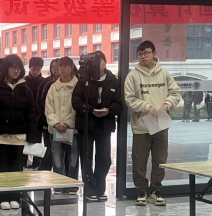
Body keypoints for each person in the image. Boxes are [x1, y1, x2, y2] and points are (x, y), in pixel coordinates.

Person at [125, 41, 181, 207]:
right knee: (139, 160)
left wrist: (167, 103)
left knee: (160, 160)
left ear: (154, 54)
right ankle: (141, 191)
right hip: (141, 125)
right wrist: (146, 106)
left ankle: (156, 191)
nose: (143, 57)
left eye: (147, 53)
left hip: (160, 123)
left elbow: (175, 92)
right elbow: (129, 99)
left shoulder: (164, 74)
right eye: (140, 54)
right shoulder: (133, 76)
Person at [0, 54, 38, 211]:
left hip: (19, 137)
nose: (16, 71)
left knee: (17, 170)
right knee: (1, 170)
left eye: (18, 68)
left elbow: (31, 114)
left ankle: (15, 196)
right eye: (13, 67)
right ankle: (3, 197)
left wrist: (32, 136)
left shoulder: (25, 89)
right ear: (5, 68)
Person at [72, 51, 123, 202]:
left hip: (104, 125)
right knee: (86, 158)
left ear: (105, 63)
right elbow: (76, 102)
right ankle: (91, 189)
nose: (98, 65)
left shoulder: (113, 81)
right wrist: (90, 110)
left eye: (100, 61)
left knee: (104, 159)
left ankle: (100, 188)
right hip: (87, 124)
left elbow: (119, 104)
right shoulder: (84, 80)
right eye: (95, 62)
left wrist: (109, 110)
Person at [45, 56, 79, 195]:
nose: (62, 69)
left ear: (71, 67)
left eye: (65, 66)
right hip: (56, 129)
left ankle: (72, 184)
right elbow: (48, 107)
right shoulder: (53, 87)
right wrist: (55, 123)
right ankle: (58, 184)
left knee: (73, 158)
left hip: (73, 129)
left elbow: (77, 107)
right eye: (60, 66)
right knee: (57, 158)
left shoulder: (78, 85)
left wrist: (67, 123)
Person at [36, 59, 60, 171]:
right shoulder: (47, 83)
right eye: (53, 67)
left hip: (64, 123)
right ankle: (43, 171)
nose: (55, 69)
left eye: (57, 66)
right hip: (48, 122)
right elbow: (40, 101)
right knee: (49, 149)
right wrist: (45, 118)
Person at [25, 57, 45, 169]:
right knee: (24, 139)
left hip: (39, 116)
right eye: (33, 69)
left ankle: (37, 163)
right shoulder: (24, 81)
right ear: (29, 67)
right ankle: (24, 161)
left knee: (38, 140)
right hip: (25, 116)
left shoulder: (44, 82)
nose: (35, 71)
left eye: (38, 69)